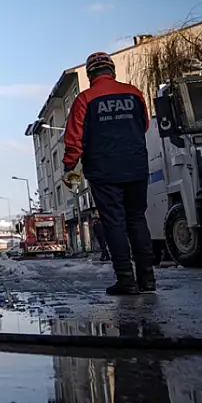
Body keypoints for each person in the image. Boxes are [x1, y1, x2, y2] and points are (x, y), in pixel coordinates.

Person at [62, 52, 155, 295]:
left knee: (114, 222)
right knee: (137, 219)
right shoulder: (134, 93)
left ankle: (126, 279)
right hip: (136, 166)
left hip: (104, 171)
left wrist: (69, 165)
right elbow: (143, 125)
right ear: (112, 71)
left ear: (90, 74)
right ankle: (148, 279)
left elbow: (74, 138)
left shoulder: (85, 99)